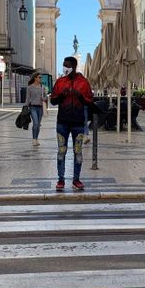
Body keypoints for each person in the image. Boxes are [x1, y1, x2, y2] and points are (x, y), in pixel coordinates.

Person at [50, 57, 94, 192]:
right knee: (61, 152)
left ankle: (76, 179)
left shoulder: (84, 83)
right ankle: (61, 179)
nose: (64, 67)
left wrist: (80, 96)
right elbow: (53, 101)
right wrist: (62, 96)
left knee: (78, 152)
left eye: (66, 65)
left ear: (73, 66)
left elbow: (89, 102)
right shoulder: (60, 82)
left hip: (78, 123)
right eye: (63, 65)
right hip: (62, 122)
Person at [25, 73, 48, 147]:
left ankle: (37, 138)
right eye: (39, 77)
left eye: (41, 77)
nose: (40, 79)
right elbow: (28, 99)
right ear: (35, 78)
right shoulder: (30, 87)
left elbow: (45, 97)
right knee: (35, 123)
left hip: (40, 108)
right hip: (33, 107)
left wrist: (44, 98)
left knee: (38, 125)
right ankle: (34, 139)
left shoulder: (43, 87)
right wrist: (25, 107)